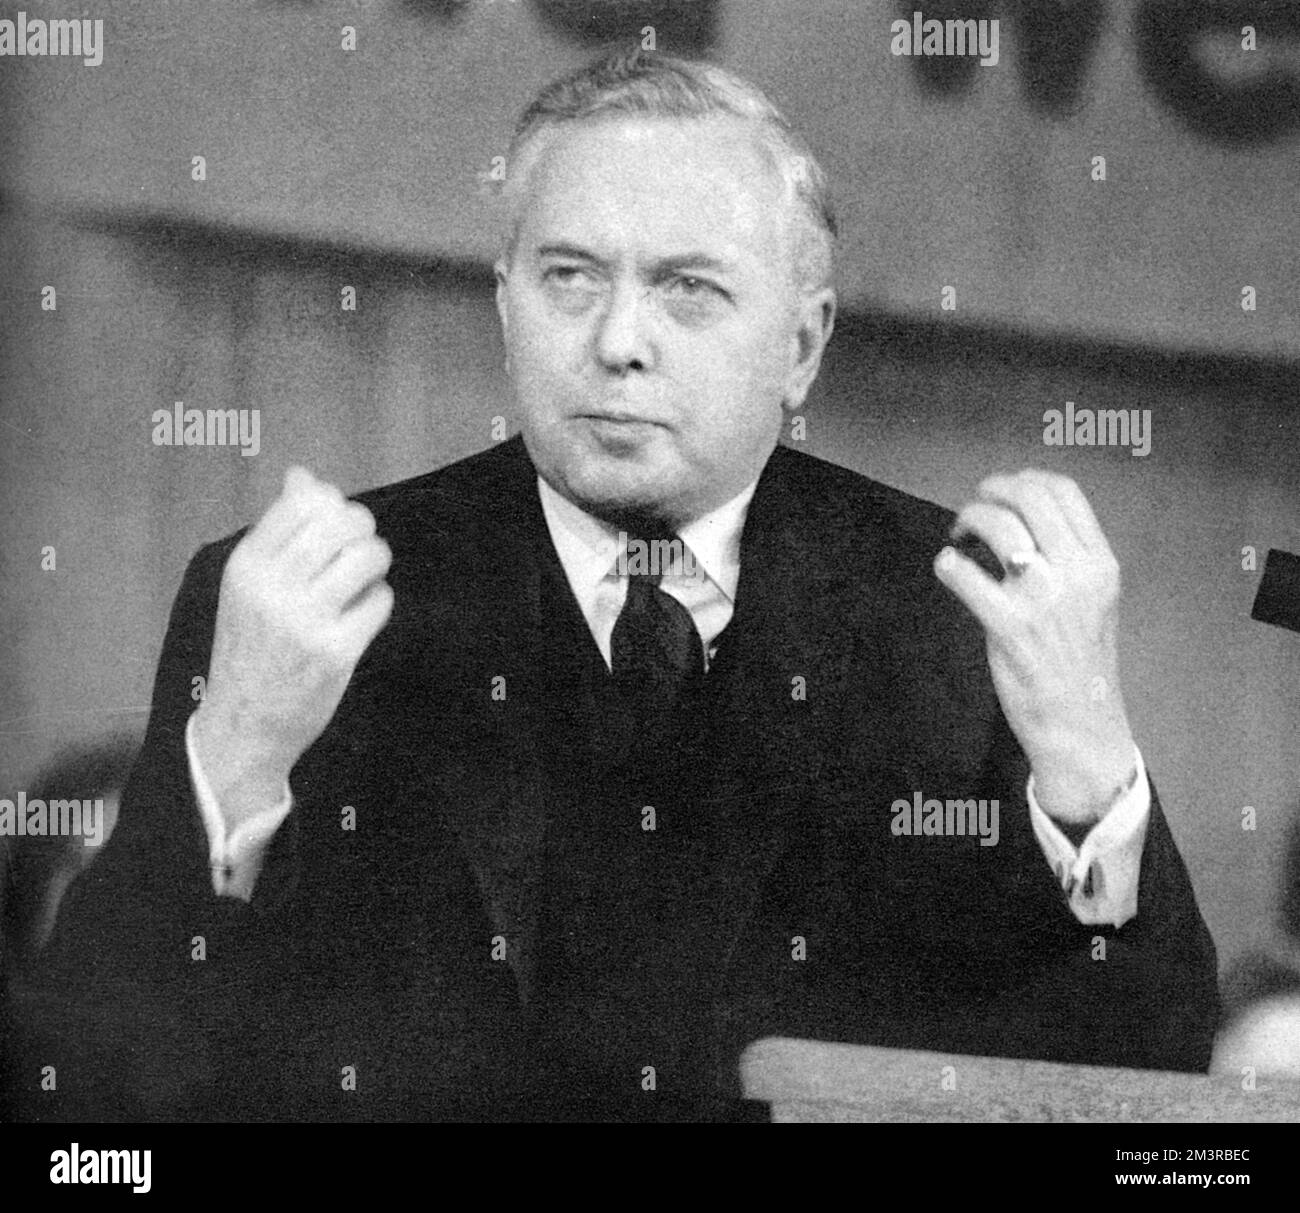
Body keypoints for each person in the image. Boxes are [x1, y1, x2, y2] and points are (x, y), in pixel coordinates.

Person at [20, 48, 1218, 1123]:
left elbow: (1147, 1076)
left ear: (802, 344)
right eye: (570, 277)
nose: (617, 341)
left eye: (688, 287)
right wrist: (235, 755)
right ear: (505, 304)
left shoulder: (953, 616)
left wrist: (1089, 764)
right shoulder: (296, 598)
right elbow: (95, 1081)